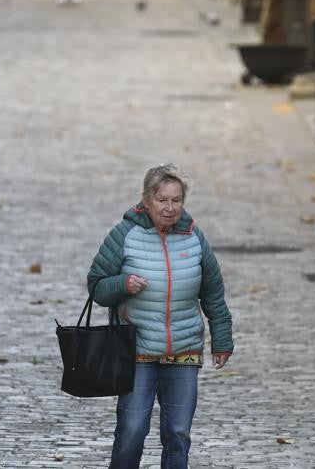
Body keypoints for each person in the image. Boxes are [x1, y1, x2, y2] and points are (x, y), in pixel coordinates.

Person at [87, 164, 233, 469]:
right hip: (136, 351)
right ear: (146, 199)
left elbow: (213, 292)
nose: (169, 208)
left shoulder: (195, 237)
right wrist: (123, 285)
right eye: (162, 200)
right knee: (132, 430)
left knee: (178, 433)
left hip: (183, 351)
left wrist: (222, 339)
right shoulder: (124, 234)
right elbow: (97, 287)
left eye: (176, 200)